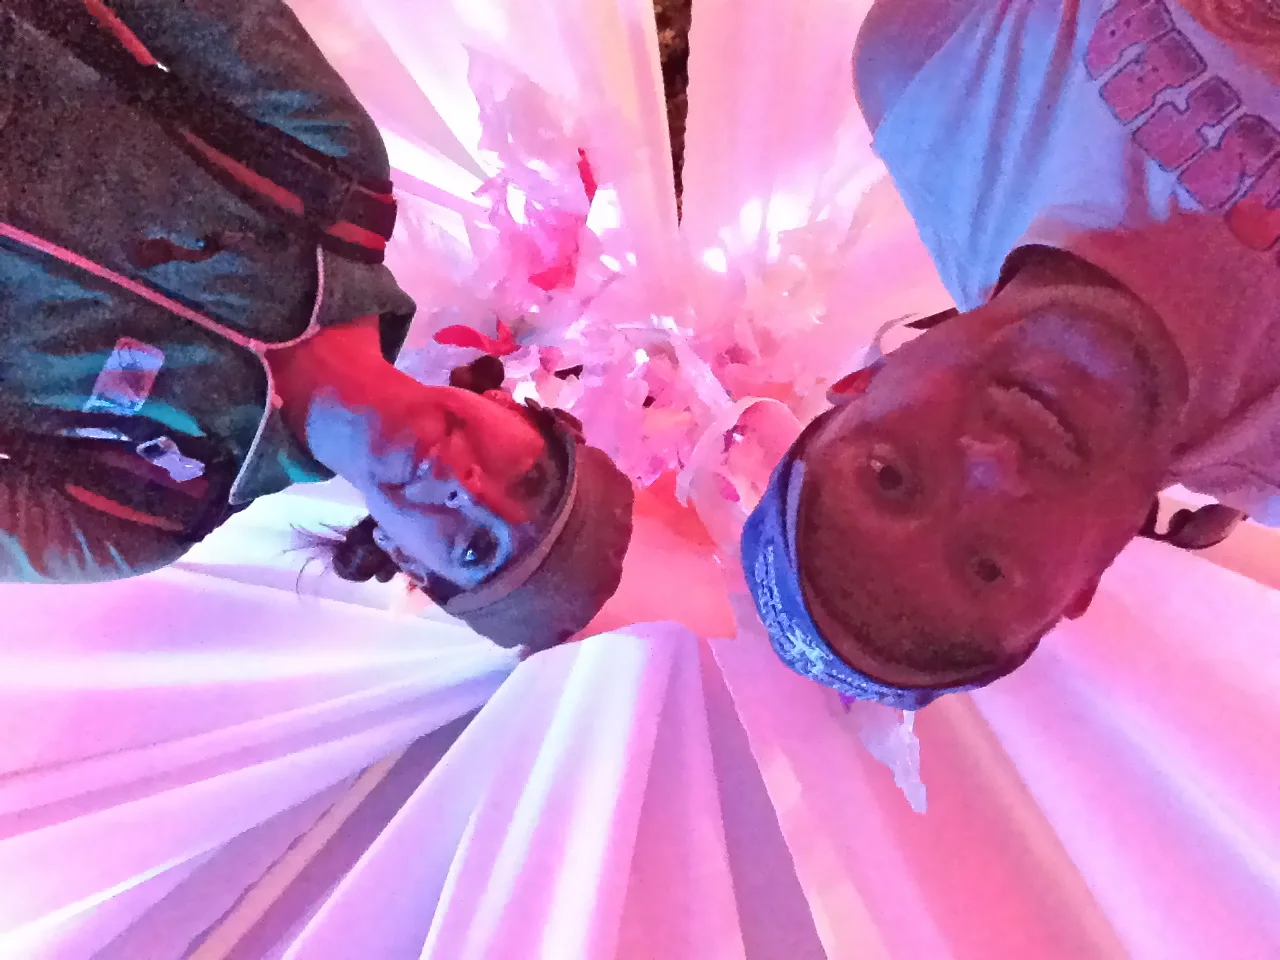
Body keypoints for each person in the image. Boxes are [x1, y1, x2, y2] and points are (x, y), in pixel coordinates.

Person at [0, 0, 634, 651]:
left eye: (476, 548)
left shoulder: (140, 512)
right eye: (530, 480)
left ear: (408, 562)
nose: (472, 495)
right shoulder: (334, 176)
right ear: (512, 406)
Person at [742, 0, 1280, 709]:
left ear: (862, 381)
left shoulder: (930, 72)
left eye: (892, 476)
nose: (994, 461)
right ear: (1080, 585)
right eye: (988, 567)